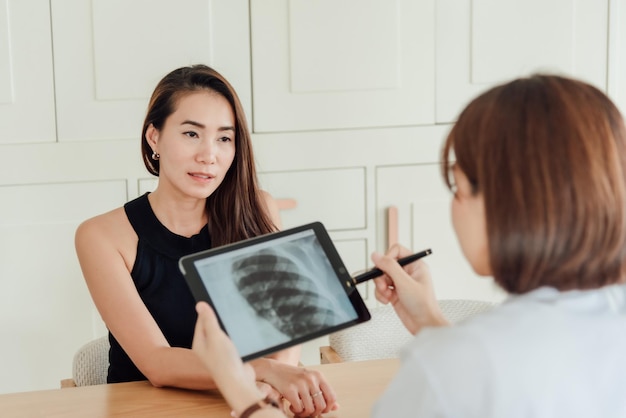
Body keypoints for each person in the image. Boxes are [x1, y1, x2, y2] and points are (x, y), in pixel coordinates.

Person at [190, 74, 626, 418]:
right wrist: (430, 321)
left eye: (458, 187)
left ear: (504, 203)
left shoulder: (452, 369)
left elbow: (475, 375)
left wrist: (241, 389)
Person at [75, 64, 337, 417]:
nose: (209, 155)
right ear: (154, 137)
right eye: (191, 134)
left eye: (224, 138)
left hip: (245, 404)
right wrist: (262, 373)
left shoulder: (258, 208)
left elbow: (282, 331)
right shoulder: (102, 236)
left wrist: (266, 387)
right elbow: (158, 362)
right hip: (146, 409)